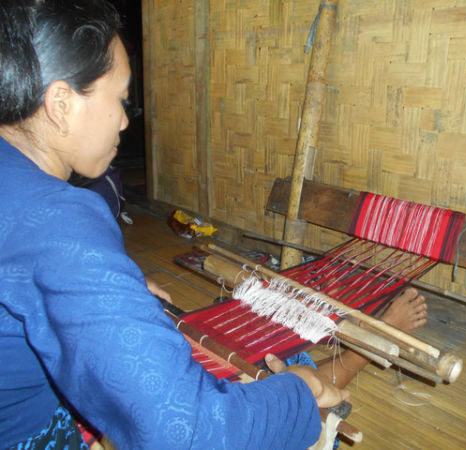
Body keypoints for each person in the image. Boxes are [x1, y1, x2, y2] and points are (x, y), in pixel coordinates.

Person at [0, 1, 349, 449]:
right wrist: (300, 391)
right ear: (62, 103)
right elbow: (186, 432)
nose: (126, 120)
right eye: (122, 100)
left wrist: (107, 284)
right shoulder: (59, 221)